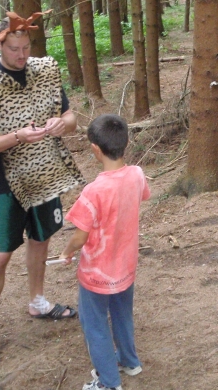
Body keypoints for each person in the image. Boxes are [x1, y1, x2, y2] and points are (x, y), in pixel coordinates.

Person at [0, 11, 86, 368]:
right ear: (0, 45)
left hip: (43, 170)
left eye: (26, 47)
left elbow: (71, 118)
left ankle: (38, 301)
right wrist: (17, 136)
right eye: (14, 49)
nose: (21, 55)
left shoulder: (43, 72)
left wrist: (61, 124)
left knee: (41, 237)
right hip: (1, 180)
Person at [60, 114, 151, 390]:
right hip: (126, 267)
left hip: (97, 275)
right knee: (123, 315)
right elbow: (141, 196)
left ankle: (109, 383)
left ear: (95, 149)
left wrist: (67, 252)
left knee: (95, 325)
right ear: (126, 142)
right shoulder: (137, 175)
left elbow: (80, 236)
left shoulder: (94, 191)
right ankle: (129, 362)